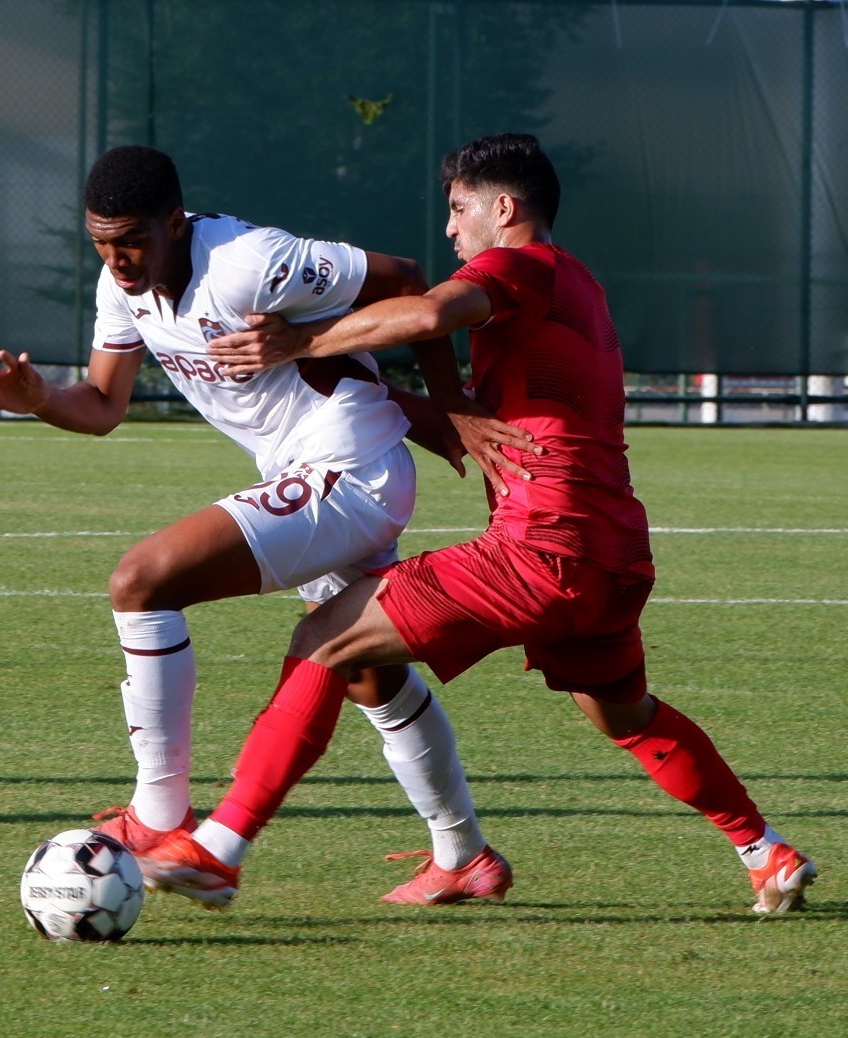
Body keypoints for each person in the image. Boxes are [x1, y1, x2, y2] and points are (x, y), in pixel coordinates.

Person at [138, 133, 817, 916]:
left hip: (541, 549)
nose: (452, 231)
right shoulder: (580, 284)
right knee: (625, 713)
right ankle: (764, 850)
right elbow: (477, 397)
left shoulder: (520, 266)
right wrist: (394, 402)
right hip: (612, 554)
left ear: (506, 208)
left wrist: (300, 338)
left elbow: (428, 309)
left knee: (325, 637)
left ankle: (219, 849)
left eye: (460, 210)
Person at [0, 143, 544, 907]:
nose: (119, 258)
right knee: (366, 670)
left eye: (133, 239)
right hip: (311, 473)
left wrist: (451, 407)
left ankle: (158, 812)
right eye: (102, 243)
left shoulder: (249, 260)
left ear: (175, 221)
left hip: (350, 465)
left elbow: (407, 274)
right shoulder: (122, 288)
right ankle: (464, 853)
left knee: (141, 580)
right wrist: (41, 398)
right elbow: (103, 406)